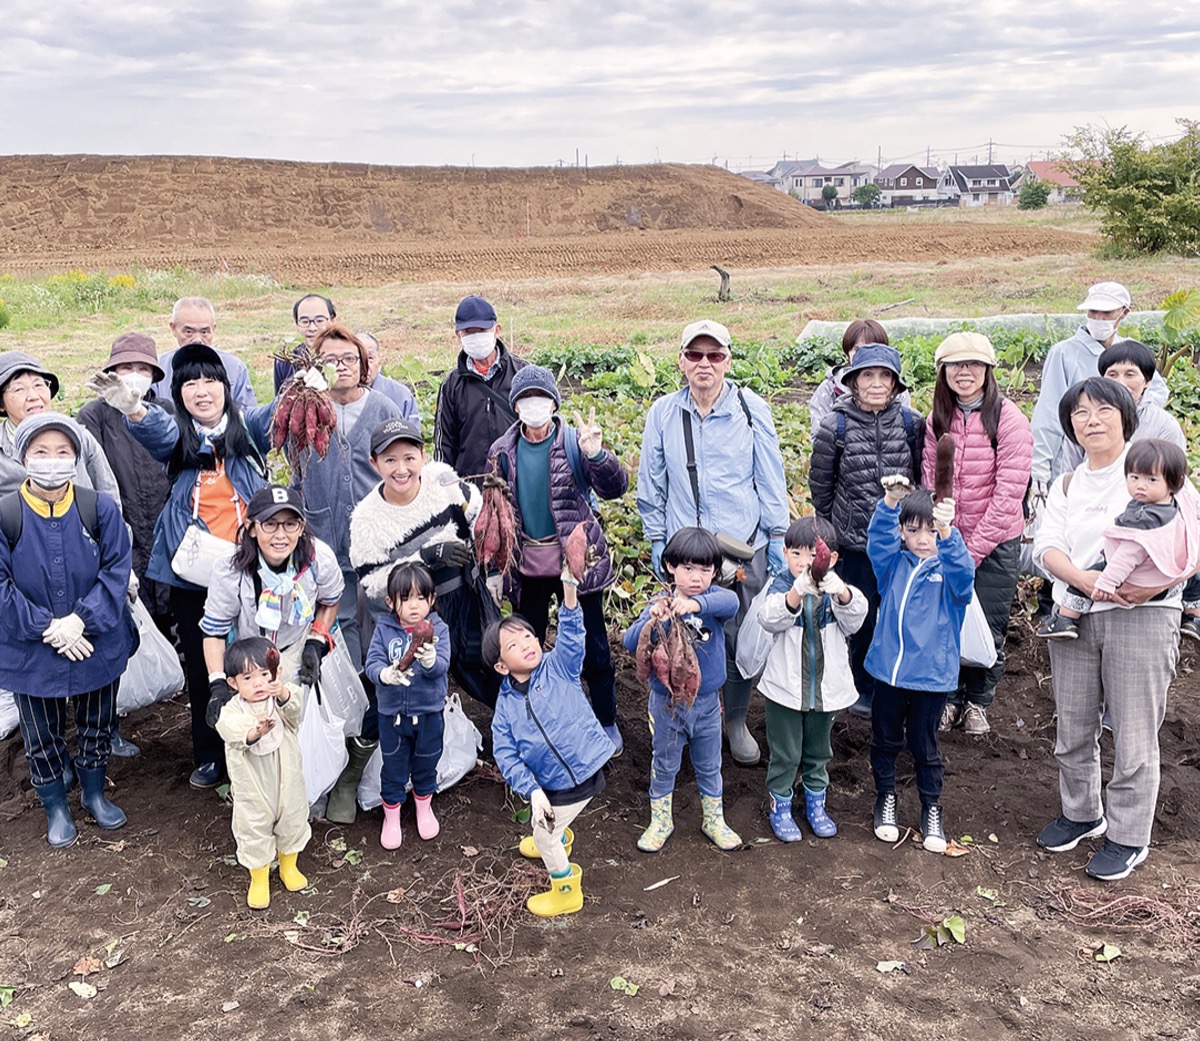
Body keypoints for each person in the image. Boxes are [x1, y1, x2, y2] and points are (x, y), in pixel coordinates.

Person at [93, 343, 274, 790]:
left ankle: (265, 738)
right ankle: (211, 752)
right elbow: (157, 433)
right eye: (189, 382)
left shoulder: (246, 429)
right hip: (195, 573)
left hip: (252, 565)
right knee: (203, 663)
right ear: (177, 392)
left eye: (210, 379)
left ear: (226, 387)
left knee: (261, 653)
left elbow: (273, 421)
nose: (201, 389)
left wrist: (298, 393)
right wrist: (135, 410)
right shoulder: (180, 435)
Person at [1032, 378, 1186, 881]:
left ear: (1125, 416)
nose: (1091, 420)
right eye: (1079, 413)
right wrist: (1081, 578)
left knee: (1134, 729)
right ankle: (1082, 813)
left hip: (1141, 616)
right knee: (1073, 723)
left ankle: (1128, 835)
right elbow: (1045, 545)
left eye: (1102, 410)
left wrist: (1153, 586)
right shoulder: (1068, 484)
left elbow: (1192, 542)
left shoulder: (1152, 471)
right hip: (1076, 614)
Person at [637, 319, 789, 766]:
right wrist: (657, 538)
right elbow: (652, 483)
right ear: (682, 361)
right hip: (689, 555)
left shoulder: (749, 407)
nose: (705, 364)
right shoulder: (664, 412)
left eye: (715, 355)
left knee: (742, 636)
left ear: (727, 360)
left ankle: (735, 720)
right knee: (684, 637)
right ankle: (687, 716)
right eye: (695, 355)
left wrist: (777, 535)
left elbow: (770, 475)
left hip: (745, 547)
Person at [0, 413, 137, 848]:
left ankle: (95, 792)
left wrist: (82, 618)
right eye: (41, 452)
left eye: (63, 452)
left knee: (97, 718)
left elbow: (117, 569)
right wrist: (48, 626)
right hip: (31, 647)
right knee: (40, 729)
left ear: (76, 458)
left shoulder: (98, 508)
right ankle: (56, 805)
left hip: (95, 638)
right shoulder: (5, 515)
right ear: (24, 457)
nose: (52, 462)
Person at [487, 364, 628, 752]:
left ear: (554, 404)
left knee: (595, 645)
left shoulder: (573, 443)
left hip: (576, 564)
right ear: (516, 406)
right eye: (527, 399)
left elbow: (616, 488)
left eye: (542, 399)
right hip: (527, 566)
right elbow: (495, 515)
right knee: (525, 649)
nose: (535, 406)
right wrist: (494, 568)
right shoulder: (502, 452)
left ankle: (605, 720)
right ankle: (541, 719)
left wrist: (596, 455)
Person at [485, 562, 616, 917]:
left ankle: (566, 890)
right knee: (544, 815)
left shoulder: (559, 667)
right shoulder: (506, 708)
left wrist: (569, 592)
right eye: (514, 644)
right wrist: (532, 789)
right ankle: (559, 835)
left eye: (528, 635)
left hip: (583, 771)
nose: (527, 643)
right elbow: (506, 755)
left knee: (543, 834)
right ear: (501, 666)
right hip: (551, 782)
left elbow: (573, 637)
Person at [921, 333, 1031, 736]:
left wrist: (974, 549)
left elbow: (1008, 495)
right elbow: (930, 479)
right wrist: (943, 537)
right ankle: (948, 698)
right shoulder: (937, 419)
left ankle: (977, 702)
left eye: (973, 365)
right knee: (946, 621)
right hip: (949, 538)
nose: (964, 373)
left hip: (996, 543)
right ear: (943, 372)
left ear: (987, 370)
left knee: (989, 621)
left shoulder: (1009, 420)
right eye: (955, 365)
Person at [350, 418, 500, 713]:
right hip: (420, 610)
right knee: (426, 676)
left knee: (492, 658)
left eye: (409, 458)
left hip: (469, 592)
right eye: (390, 460)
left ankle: (518, 719)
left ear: (423, 456)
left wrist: (493, 565)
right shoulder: (366, 520)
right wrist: (425, 558)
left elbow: (481, 520)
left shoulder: (442, 480)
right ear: (374, 463)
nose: (401, 469)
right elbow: (374, 581)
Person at [809, 343, 924, 720]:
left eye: (884, 376)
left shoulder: (910, 424)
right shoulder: (835, 427)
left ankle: (891, 685)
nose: (876, 383)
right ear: (853, 382)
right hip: (855, 542)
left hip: (899, 544)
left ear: (895, 384)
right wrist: (833, 531)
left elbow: (921, 479)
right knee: (859, 617)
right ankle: (859, 685)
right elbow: (821, 487)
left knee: (896, 615)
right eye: (867, 375)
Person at [866, 483, 973, 854]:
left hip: (931, 678)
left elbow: (965, 579)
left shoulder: (950, 572)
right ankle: (885, 798)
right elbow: (876, 541)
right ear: (902, 531)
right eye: (913, 530)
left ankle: (932, 808)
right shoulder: (893, 565)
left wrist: (950, 535)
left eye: (930, 530)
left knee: (925, 746)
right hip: (889, 673)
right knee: (884, 739)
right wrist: (889, 503)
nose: (922, 538)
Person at [623, 528, 743, 852]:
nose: (696, 576)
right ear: (670, 567)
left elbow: (731, 601)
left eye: (705, 570)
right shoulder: (658, 605)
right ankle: (661, 820)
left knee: (710, 764)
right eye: (688, 568)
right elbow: (629, 641)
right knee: (664, 762)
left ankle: (713, 819)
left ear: (715, 573)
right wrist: (655, 619)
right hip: (667, 705)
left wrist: (693, 605)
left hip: (706, 705)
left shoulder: (712, 604)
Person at [295, 324, 402, 673]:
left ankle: (385, 682)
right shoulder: (306, 410)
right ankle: (354, 689)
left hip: (376, 533)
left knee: (383, 607)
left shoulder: (383, 409)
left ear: (362, 365)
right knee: (338, 612)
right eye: (331, 360)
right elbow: (292, 461)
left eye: (349, 358)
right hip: (325, 528)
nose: (341, 366)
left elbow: (405, 467)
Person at [756, 516, 867, 842]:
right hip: (785, 689)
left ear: (830, 558)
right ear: (785, 553)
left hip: (825, 689)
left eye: (813, 556)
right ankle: (781, 803)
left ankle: (816, 803)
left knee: (819, 751)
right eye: (796, 555)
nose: (805, 563)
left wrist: (843, 593)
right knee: (786, 752)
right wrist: (794, 595)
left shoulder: (836, 589)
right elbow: (768, 617)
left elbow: (856, 620)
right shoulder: (781, 585)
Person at [200, 485, 343, 710]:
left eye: (290, 524)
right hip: (250, 657)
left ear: (301, 527)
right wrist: (217, 683)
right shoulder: (230, 568)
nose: (280, 535)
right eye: (270, 524)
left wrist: (315, 642)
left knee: (300, 724)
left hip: (297, 644)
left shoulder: (319, 558)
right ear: (252, 528)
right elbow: (215, 631)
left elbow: (330, 600)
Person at [1038, 439, 1197, 638]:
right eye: (1134, 477)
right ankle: (1194, 616)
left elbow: (1127, 556)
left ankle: (1066, 618)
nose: (1141, 486)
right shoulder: (1174, 505)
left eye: (1151, 480)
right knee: (1194, 582)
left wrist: (1104, 583)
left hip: (1139, 601)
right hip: (1160, 574)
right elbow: (1046, 544)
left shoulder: (1145, 518)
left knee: (1094, 573)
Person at [1096, 339, 1200, 641]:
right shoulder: (1092, 418)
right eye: (1112, 374)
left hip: (1154, 502)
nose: (1121, 382)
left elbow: (1174, 475)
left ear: (1148, 380)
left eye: (1131, 374)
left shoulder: (1162, 423)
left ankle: (1191, 606)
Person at [78, 333, 175, 637]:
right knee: (135, 611)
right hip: (123, 525)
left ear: (154, 375)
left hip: (166, 524)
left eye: (143, 369)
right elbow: (91, 478)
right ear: (112, 374)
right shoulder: (93, 415)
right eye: (126, 367)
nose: (135, 375)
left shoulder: (166, 410)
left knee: (175, 604)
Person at [1030, 282, 1166, 498]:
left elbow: (1156, 390)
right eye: (1093, 312)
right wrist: (1039, 464)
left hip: (1124, 462)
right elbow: (1049, 412)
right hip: (1076, 455)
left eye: (1107, 312)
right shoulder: (1064, 354)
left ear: (1124, 313)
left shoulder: (1129, 351)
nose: (1099, 319)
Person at [214, 637, 310, 910]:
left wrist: (282, 694)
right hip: (254, 783)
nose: (258, 684)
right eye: (248, 677)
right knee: (253, 825)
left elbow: (296, 711)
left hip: (286, 775)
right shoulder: (232, 709)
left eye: (264, 675)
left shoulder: (279, 698)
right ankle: (259, 876)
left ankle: (288, 866)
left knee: (291, 817)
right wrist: (254, 731)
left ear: (275, 674)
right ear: (233, 683)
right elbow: (230, 729)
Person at [363, 561, 450, 849]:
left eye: (421, 598)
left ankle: (424, 805)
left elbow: (443, 666)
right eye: (406, 598)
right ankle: (392, 815)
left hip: (429, 713)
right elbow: (372, 662)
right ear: (391, 602)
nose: (414, 605)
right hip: (392, 716)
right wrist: (384, 675)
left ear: (432, 599)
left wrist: (431, 661)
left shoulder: (439, 630)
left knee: (428, 760)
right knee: (394, 765)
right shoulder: (384, 630)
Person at [1, 351, 122, 505]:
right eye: (19, 389)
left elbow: (109, 494)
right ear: (1, 404)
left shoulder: (80, 436)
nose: (33, 396)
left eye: (39, 385)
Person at [433, 294, 528, 482]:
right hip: (472, 488)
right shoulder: (452, 384)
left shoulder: (522, 373)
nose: (476, 337)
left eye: (482, 330)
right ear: (458, 335)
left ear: (497, 330)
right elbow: (444, 445)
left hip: (518, 483)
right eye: (469, 332)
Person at [152, 298, 258, 411]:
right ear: (173, 328)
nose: (198, 340)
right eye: (189, 332)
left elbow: (248, 417)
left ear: (213, 329)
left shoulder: (235, 368)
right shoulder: (158, 369)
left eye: (204, 332)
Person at [808, 319, 911, 430]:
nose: (866, 354)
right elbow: (819, 437)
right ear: (847, 353)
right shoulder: (830, 389)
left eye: (873, 347)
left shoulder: (897, 390)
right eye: (858, 349)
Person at [273, 293, 337, 393]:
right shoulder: (286, 360)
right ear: (296, 324)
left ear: (333, 321)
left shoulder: (347, 358)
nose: (312, 328)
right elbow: (278, 403)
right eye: (304, 321)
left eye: (319, 321)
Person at [359, 332, 421, 422]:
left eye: (370, 358)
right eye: (358, 358)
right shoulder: (338, 396)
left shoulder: (401, 395)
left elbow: (412, 433)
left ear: (379, 363)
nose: (364, 365)